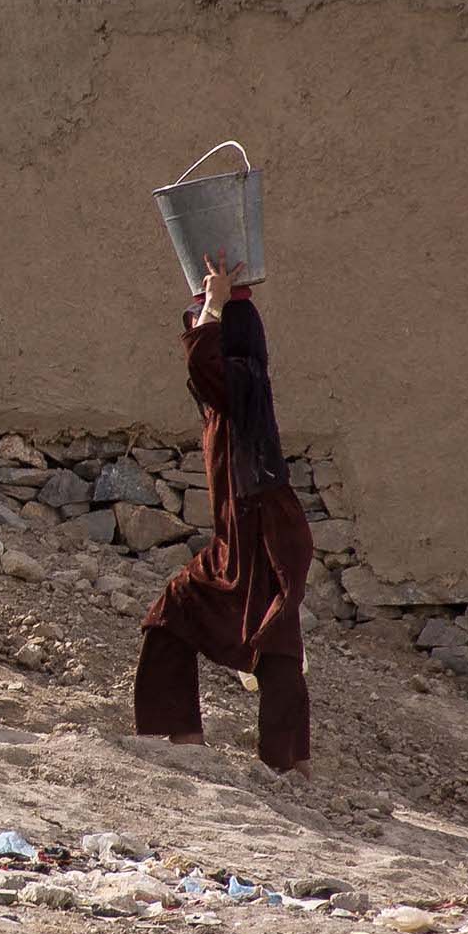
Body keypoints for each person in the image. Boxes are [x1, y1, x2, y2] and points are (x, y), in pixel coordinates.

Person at [133, 252, 314, 777]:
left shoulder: (234, 387)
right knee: (272, 642)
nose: (191, 333)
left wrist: (212, 305)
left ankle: (195, 743)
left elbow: (203, 362)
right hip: (259, 529)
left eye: (200, 330)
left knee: (181, 614)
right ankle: (287, 763)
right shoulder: (236, 395)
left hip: (257, 529)